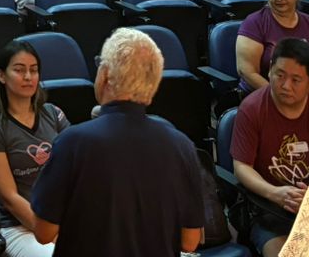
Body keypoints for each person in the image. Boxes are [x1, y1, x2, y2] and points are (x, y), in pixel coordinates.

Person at [31, 28, 205, 256]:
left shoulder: (72, 142)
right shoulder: (182, 145)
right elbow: (190, 241)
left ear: (104, 75)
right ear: (154, 85)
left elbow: (43, 232)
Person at [230, 38, 309, 257]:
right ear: (269, 70)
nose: (285, 86)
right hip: (267, 208)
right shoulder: (252, 109)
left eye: (296, 80)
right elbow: (241, 167)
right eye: (280, 75)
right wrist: (274, 193)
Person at [0, 40, 69, 257]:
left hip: (62, 218)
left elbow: (75, 167)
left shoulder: (53, 114)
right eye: (19, 70)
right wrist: (52, 233)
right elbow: (9, 198)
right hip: (20, 227)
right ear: (2, 76)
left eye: (33, 70)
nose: (28, 77)